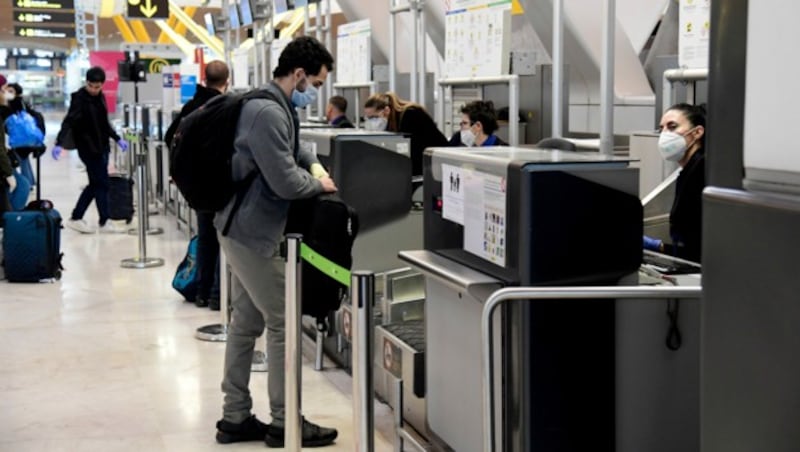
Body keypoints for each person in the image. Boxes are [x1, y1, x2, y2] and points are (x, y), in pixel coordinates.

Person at [212, 36, 339, 448]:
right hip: (252, 232)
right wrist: (317, 183)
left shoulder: (269, 104)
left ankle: (235, 417)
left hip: (241, 228)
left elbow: (293, 148)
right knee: (282, 320)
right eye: (315, 84)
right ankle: (286, 422)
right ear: (299, 75)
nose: (314, 94)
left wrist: (313, 162)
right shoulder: (267, 111)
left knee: (246, 322)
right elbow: (284, 181)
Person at [165, 60, 230, 310]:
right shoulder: (226, 107)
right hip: (220, 182)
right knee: (222, 238)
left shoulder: (192, 105)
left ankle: (202, 292)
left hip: (196, 185)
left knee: (205, 238)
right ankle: (217, 294)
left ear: (204, 78)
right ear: (228, 80)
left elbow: (170, 136)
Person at [51, 67, 129, 234]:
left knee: (99, 184)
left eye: (97, 87)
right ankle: (80, 217)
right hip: (87, 148)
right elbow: (69, 121)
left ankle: (99, 219)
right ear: (86, 82)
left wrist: (116, 138)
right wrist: (59, 142)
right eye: (91, 86)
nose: (94, 90)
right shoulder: (79, 99)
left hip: (102, 146)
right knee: (100, 183)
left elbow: (103, 122)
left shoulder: (100, 97)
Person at [643, 103, 706, 262]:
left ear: (697, 132)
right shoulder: (689, 171)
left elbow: (698, 247)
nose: (664, 134)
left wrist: (659, 247)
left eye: (672, 127)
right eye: (661, 128)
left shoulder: (702, 170)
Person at [363, 92, 448, 176]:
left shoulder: (410, 115)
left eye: (373, 117)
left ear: (386, 111)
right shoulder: (392, 122)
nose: (371, 122)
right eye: (368, 118)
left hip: (437, 164)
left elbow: (412, 152)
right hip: (424, 165)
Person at [4, 82, 46, 187]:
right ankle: (30, 182)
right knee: (24, 160)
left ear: (17, 93)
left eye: (11, 91)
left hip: (18, 139)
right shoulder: (23, 103)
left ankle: (26, 184)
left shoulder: (13, 104)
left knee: (19, 161)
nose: (7, 93)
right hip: (26, 139)